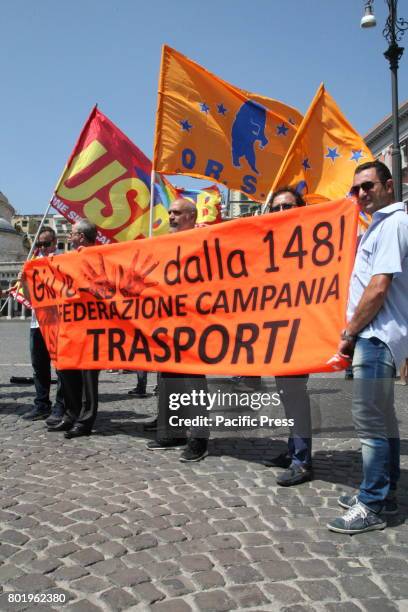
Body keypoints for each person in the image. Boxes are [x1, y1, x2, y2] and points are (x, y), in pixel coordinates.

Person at [327, 160, 408, 534]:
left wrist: (349, 332)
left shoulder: (391, 223)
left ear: (388, 186)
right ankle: (385, 491)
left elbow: (379, 286)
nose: (361, 194)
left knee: (370, 423)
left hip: (375, 337)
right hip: (380, 336)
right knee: (384, 420)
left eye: (369, 186)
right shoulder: (382, 224)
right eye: (356, 188)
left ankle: (372, 502)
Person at [146, 199, 209, 462]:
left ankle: (199, 437)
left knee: (193, 381)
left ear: (191, 216)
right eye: (170, 212)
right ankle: (172, 431)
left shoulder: (203, 239)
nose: (171, 216)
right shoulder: (163, 245)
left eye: (177, 213)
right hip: (167, 324)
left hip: (194, 324)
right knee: (168, 380)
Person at [264, 188, 313, 486]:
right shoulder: (271, 241)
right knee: (286, 394)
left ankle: (302, 460)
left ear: (301, 207)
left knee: (295, 395)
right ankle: (294, 448)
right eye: (277, 208)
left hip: (300, 331)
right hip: (276, 332)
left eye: (288, 206)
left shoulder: (309, 240)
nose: (282, 212)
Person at [47, 219, 100, 439]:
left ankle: (85, 421)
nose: (69, 236)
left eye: (72, 232)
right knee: (67, 373)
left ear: (81, 236)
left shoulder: (99, 257)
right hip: (69, 326)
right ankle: (70, 414)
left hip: (91, 328)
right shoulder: (68, 259)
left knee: (88, 378)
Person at [21, 227, 65, 422]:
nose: (42, 248)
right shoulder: (34, 264)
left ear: (55, 243)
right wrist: (24, 278)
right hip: (37, 323)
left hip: (58, 323)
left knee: (61, 367)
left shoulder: (62, 261)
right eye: (39, 244)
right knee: (39, 366)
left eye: (46, 244)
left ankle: (61, 406)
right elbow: (30, 297)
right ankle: (41, 404)